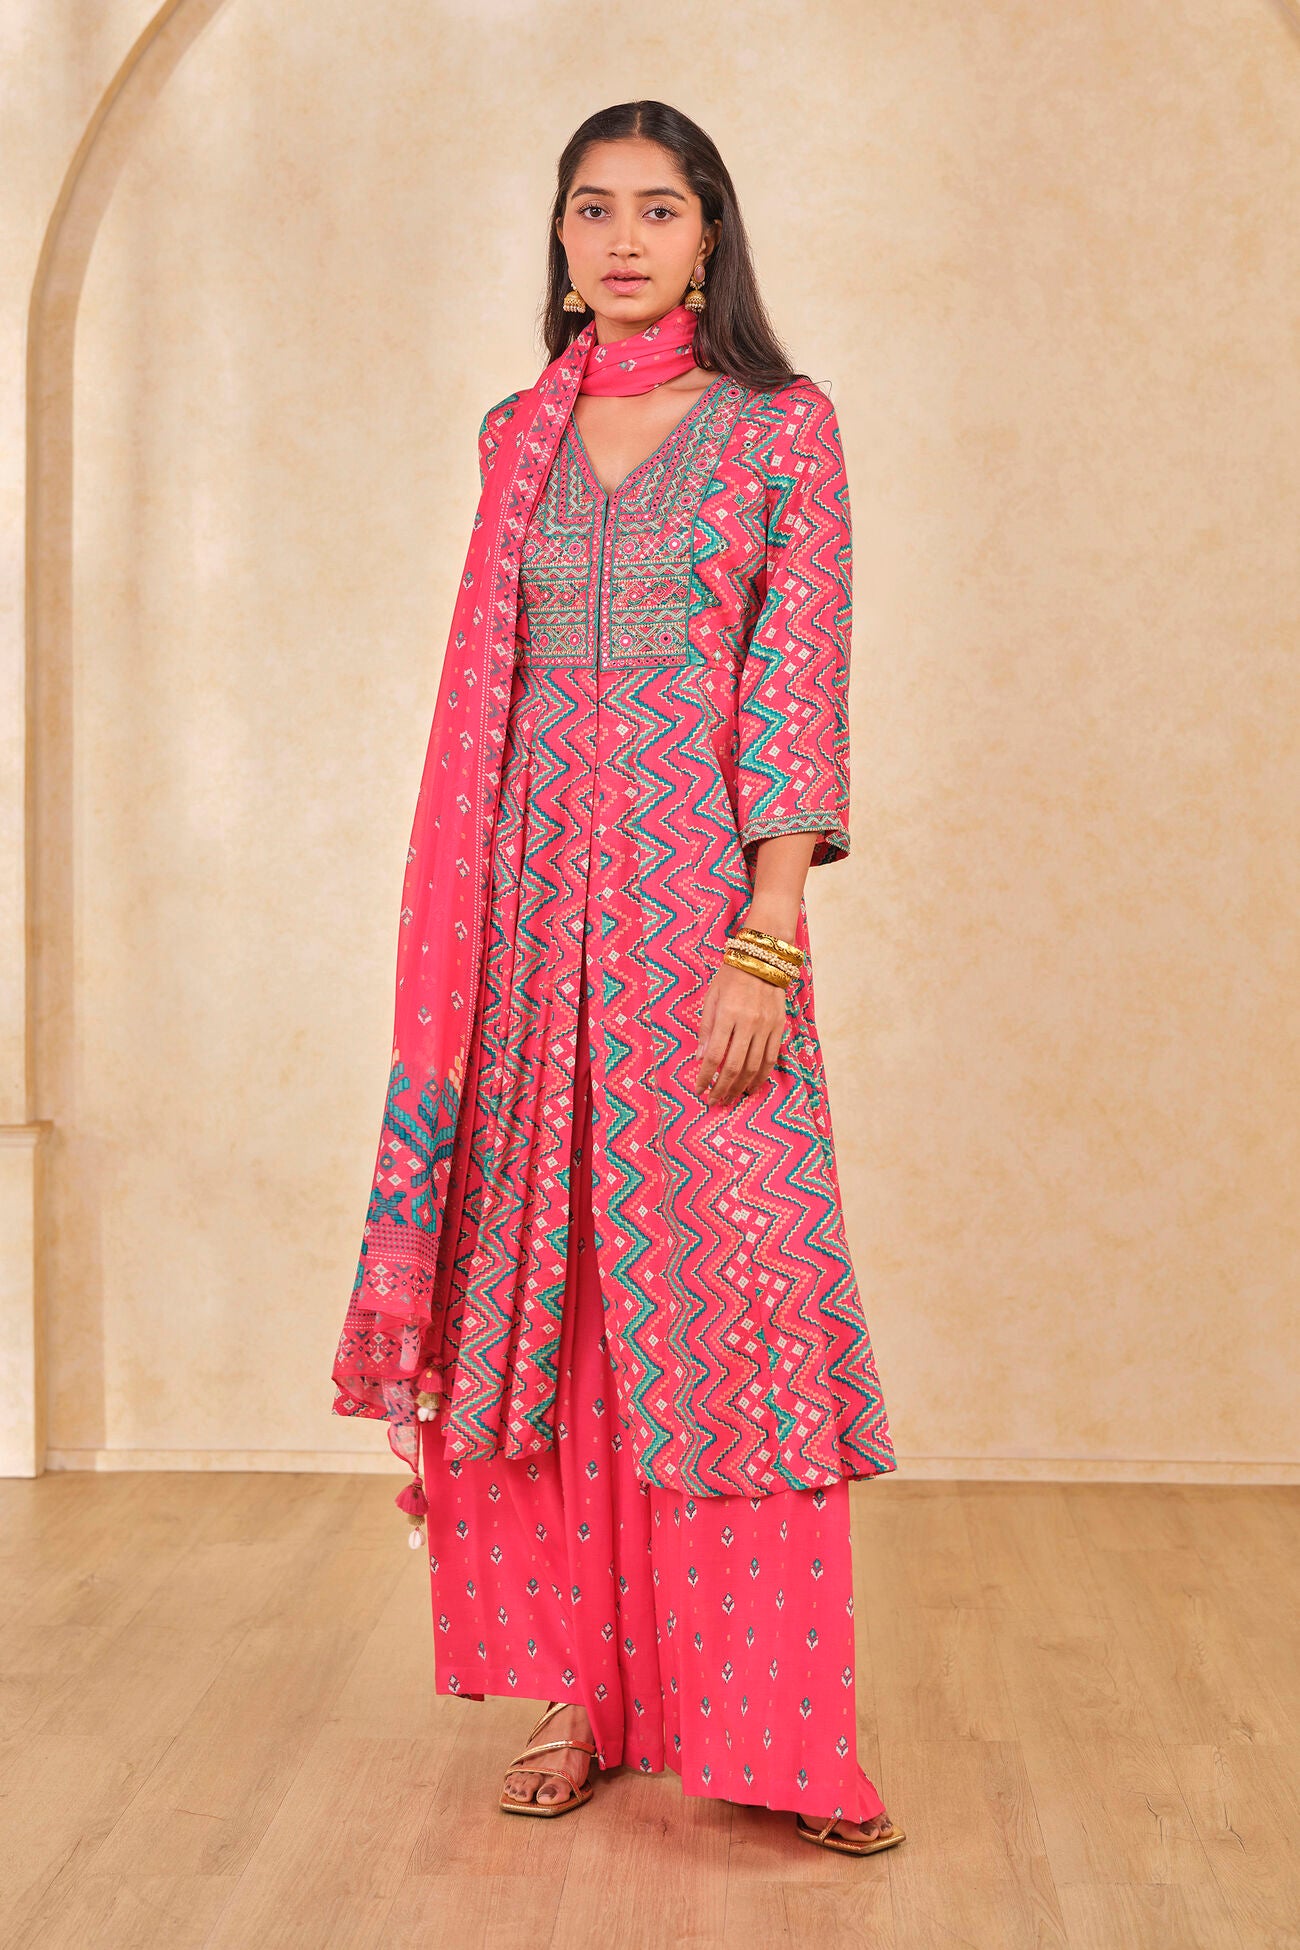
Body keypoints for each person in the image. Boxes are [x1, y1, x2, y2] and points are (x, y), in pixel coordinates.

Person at [331, 99, 904, 1859]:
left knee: (734, 1310)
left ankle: (784, 1735)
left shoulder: (780, 429)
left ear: (711, 233)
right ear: (562, 237)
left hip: (691, 928)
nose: (627, 238)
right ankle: (577, 1692)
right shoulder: (514, 435)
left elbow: (793, 685)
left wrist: (765, 934)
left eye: (661, 208)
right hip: (520, 941)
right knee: (554, 1304)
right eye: (596, 209)